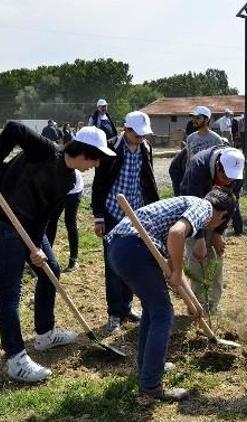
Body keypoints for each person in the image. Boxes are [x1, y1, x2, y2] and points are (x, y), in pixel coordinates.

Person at [0, 123, 115, 383]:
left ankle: (44, 334)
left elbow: (46, 213)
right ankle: (16, 358)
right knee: (11, 292)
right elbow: (13, 129)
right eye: (96, 160)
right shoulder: (45, 151)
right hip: (5, 224)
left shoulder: (69, 179)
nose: (95, 166)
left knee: (50, 269)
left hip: (31, 227)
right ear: (84, 153)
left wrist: (37, 247)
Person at [106, 188, 237, 402]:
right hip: (135, 247)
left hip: (121, 248)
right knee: (163, 312)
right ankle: (150, 388)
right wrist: (176, 271)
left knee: (153, 308)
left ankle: (149, 366)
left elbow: (171, 264)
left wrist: (193, 302)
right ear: (222, 216)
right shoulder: (203, 207)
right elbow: (176, 234)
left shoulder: (188, 205)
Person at [92, 111, 159, 333]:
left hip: (136, 213)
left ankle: (127, 306)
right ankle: (114, 313)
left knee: (131, 261)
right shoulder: (110, 148)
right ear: (126, 130)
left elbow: (148, 180)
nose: (141, 139)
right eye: (137, 135)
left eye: (143, 135)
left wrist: (154, 208)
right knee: (113, 264)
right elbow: (99, 184)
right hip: (113, 212)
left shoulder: (145, 148)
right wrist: (99, 217)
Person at [179, 145, 245, 314]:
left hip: (216, 211)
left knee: (216, 255)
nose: (228, 182)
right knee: (197, 258)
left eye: (232, 179)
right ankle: (198, 306)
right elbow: (192, 206)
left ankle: (213, 305)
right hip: (193, 210)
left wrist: (218, 233)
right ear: (217, 166)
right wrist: (199, 239)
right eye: (224, 177)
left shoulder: (237, 169)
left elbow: (230, 203)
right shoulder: (197, 168)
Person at [46, 169, 83, 273]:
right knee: (51, 221)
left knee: (70, 221)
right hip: (58, 186)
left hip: (74, 189)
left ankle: (73, 261)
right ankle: (47, 257)